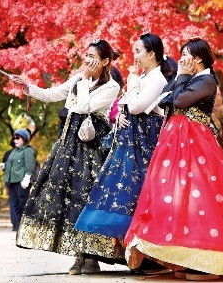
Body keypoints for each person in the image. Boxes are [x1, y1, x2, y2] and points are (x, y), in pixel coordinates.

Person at [124, 38, 223, 280]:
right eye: (181, 54)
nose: (181, 59)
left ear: (199, 58)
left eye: (186, 54)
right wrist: (179, 80)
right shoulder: (188, 79)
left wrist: (180, 78)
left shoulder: (207, 80)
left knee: (199, 195)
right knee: (173, 193)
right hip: (174, 140)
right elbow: (164, 98)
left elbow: (178, 100)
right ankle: (179, 256)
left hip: (197, 143)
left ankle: (206, 258)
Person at [10, 39, 120, 275]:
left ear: (105, 61)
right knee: (69, 197)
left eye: (93, 57)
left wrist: (84, 81)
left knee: (89, 195)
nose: (87, 61)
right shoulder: (79, 79)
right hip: (69, 144)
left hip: (91, 146)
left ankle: (91, 257)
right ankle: (79, 255)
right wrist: (27, 86)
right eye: (86, 55)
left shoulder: (112, 86)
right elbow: (52, 94)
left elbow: (83, 107)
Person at [74, 33, 174, 270]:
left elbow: (137, 106)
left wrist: (128, 99)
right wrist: (121, 113)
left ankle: (150, 255)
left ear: (152, 53)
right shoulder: (144, 76)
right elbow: (126, 105)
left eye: (138, 51)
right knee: (122, 190)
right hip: (131, 143)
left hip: (145, 143)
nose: (135, 56)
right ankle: (126, 251)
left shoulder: (157, 77)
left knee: (139, 193)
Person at [3, 129, 36, 232]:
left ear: (24, 138)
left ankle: (25, 226)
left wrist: (26, 179)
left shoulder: (28, 150)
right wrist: (4, 165)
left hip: (21, 182)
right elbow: (11, 164)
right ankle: (16, 225)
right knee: (14, 204)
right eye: (14, 138)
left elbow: (30, 166)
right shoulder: (15, 150)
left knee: (23, 204)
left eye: (18, 138)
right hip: (12, 181)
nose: (15, 140)